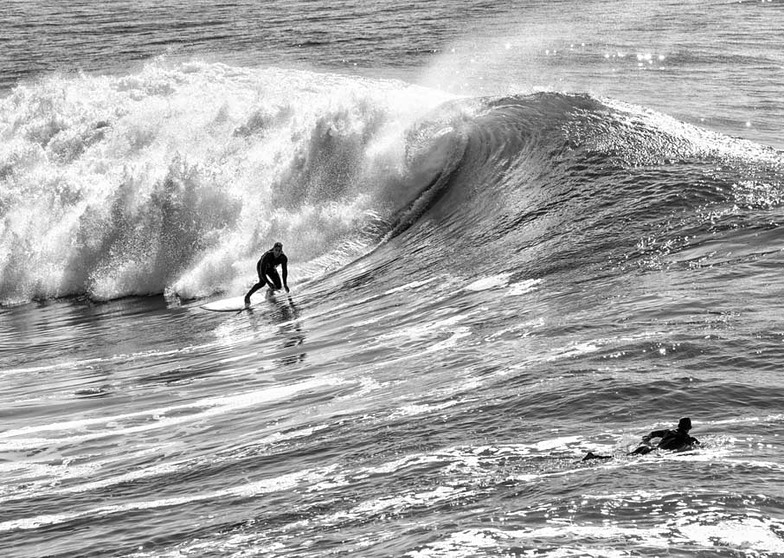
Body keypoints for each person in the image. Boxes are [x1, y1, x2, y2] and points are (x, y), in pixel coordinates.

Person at [582, 417, 700, 462]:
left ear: (679, 426)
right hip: (657, 453)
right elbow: (700, 447)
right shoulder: (688, 439)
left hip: (648, 448)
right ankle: (594, 458)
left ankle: (594, 457)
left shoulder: (668, 432)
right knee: (624, 459)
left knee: (623, 457)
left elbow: (653, 433)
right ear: (689, 428)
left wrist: (648, 438)